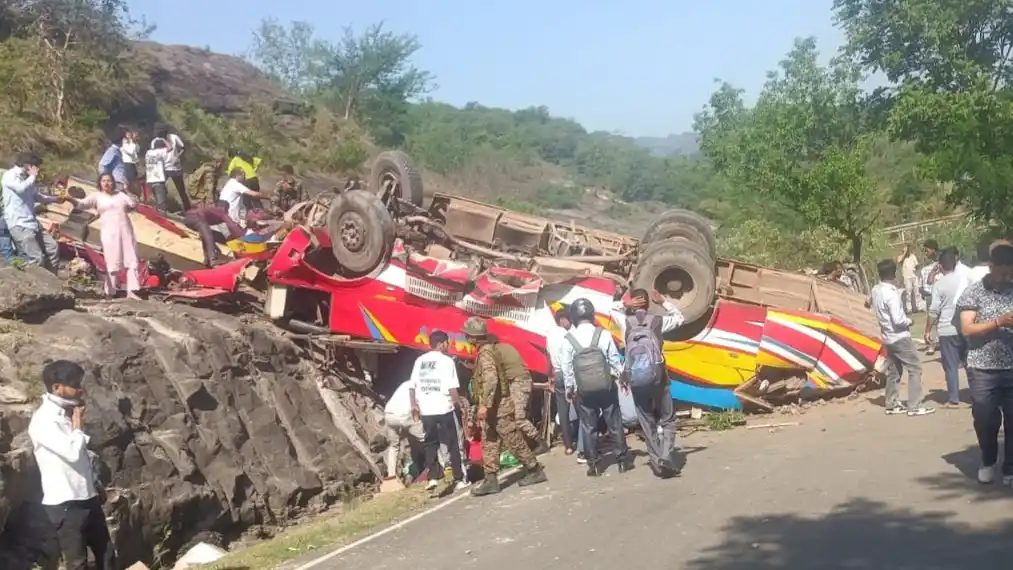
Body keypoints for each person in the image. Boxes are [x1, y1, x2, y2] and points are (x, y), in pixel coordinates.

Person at [28, 360, 116, 570]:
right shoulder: (44, 419)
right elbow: (72, 453)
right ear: (56, 387)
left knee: (107, 554)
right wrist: (78, 428)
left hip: (87, 497)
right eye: (74, 383)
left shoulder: (67, 413)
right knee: (77, 563)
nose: (80, 387)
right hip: (66, 503)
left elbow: (81, 460)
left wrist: (94, 483)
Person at [462, 316, 547, 496]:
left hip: (499, 408)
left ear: (472, 337)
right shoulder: (487, 351)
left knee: (513, 440)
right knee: (489, 442)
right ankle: (491, 478)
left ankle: (534, 469)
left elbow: (491, 380)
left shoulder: (485, 354)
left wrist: (485, 405)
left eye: (466, 335)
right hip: (495, 408)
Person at [956, 242, 1013, 486]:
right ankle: (988, 460)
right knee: (985, 418)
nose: (1007, 277)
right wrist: (999, 322)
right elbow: (967, 328)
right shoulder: (974, 292)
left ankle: (1010, 466)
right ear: (991, 267)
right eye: (1003, 272)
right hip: (982, 368)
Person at [561, 298, 632, 477]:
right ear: (591, 314)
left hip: (584, 391)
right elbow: (615, 360)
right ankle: (623, 460)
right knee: (614, 422)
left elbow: (567, 368)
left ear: (574, 317)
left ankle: (593, 465)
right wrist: (622, 377)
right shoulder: (604, 334)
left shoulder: (568, 339)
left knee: (588, 426)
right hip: (606, 387)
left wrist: (570, 390)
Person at [620, 288, 685, 477]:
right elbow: (679, 318)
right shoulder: (657, 321)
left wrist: (624, 305)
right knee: (668, 417)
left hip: (635, 378)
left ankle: (657, 460)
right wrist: (663, 301)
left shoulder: (624, 322)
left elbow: (609, 309)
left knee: (646, 420)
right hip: (658, 376)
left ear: (633, 303)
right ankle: (666, 455)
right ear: (649, 303)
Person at [868, 259, 935, 416]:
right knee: (915, 369)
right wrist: (909, 321)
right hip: (899, 336)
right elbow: (898, 320)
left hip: (887, 337)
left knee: (894, 371)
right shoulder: (892, 293)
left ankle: (891, 404)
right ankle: (915, 405)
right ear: (894, 273)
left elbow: (867, 302)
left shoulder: (875, 290)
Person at [408, 331, 469, 493]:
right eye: (447, 343)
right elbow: (451, 387)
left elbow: (412, 386)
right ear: (441, 343)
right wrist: (459, 404)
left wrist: (414, 405)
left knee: (430, 443)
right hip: (444, 408)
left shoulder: (419, 361)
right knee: (453, 443)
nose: (447, 346)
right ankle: (459, 478)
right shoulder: (446, 361)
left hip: (426, 410)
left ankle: (433, 476)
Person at [66, 173, 142, 299]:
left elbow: (133, 205)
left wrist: (129, 191)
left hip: (126, 231)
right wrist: (69, 198)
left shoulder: (121, 195)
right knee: (112, 262)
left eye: (109, 181)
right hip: (109, 233)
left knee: (131, 260)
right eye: (104, 181)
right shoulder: (97, 197)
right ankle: (110, 292)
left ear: (113, 182)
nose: (107, 183)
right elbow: (81, 204)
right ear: (100, 183)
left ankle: (131, 291)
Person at [2, 152, 62, 272]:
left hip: (33, 223)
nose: (38, 169)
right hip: (19, 224)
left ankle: (52, 280)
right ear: (27, 165)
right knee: (37, 258)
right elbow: (20, 189)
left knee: (53, 248)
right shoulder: (10, 175)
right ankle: (35, 286)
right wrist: (33, 176)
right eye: (36, 166)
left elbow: (38, 197)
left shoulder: (28, 179)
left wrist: (56, 199)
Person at [492, 336, 549, 455]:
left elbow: (498, 375)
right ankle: (530, 444)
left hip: (518, 384)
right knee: (520, 416)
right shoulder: (506, 348)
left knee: (519, 419)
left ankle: (540, 442)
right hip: (521, 383)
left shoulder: (495, 352)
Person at [927, 250, 965, 409]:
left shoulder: (939, 284)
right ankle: (978, 395)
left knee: (950, 366)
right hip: (965, 326)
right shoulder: (964, 280)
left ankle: (954, 399)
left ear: (941, 266)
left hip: (946, 329)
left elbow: (934, 309)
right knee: (970, 363)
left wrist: (928, 329)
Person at [547, 309, 582, 459]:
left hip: (557, 374)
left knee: (563, 411)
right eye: (569, 319)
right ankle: (583, 442)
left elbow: (548, 356)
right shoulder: (568, 335)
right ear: (563, 319)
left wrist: (550, 376)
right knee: (581, 408)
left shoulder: (550, 335)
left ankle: (568, 446)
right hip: (570, 373)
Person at [383, 377, 426, 483]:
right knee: (426, 438)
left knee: (393, 446)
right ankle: (432, 467)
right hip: (405, 415)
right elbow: (418, 407)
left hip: (389, 414)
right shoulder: (421, 387)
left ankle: (391, 476)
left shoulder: (405, 384)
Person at [183, 201, 245, 267]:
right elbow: (232, 226)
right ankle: (213, 260)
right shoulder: (221, 210)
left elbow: (228, 236)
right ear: (225, 208)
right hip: (197, 217)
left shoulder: (215, 214)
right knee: (209, 237)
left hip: (187, 220)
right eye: (227, 209)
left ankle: (207, 259)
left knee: (206, 237)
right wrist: (243, 237)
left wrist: (236, 253)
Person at [152, 125, 190, 211]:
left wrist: (178, 157)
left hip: (175, 167)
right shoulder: (155, 141)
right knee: (160, 187)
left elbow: (183, 148)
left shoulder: (174, 137)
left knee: (181, 190)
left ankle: (188, 209)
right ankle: (163, 207)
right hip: (163, 169)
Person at [144, 138, 173, 213]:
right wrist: (164, 139)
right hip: (158, 180)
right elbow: (170, 148)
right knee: (161, 204)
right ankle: (162, 219)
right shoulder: (160, 152)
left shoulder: (148, 152)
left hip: (149, 180)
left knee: (153, 202)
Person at [897, 244, 920, 313]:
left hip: (914, 276)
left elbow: (917, 265)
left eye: (908, 250)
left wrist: (916, 271)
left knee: (917, 292)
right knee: (908, 293)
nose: (908, 251)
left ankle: (918, 307)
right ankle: (909, 309)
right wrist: (904, 253)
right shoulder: (900, 257)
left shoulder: (913, 256)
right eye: (906, 250)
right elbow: (899, 262)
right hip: (907, 277)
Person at [120, 129, 140, 196]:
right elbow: (130, 151)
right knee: (130, 181)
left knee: (135, 180)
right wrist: (132, 141)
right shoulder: (124, 142)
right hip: (127, 163)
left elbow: (137, 150)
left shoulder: (132, 142)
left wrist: (135, 141)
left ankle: (134, 194)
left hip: (133, 164)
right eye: (128, 134)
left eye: (130, 133)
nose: (130, 135)